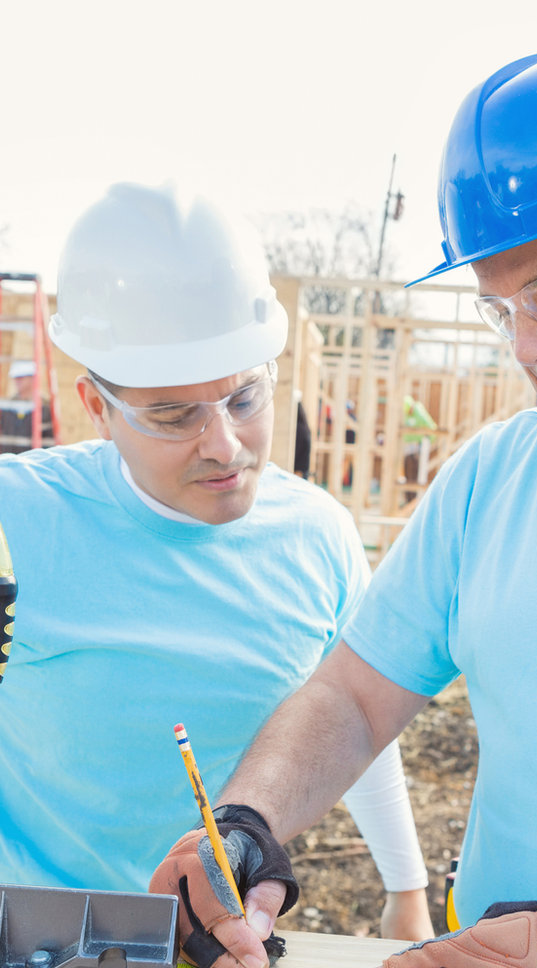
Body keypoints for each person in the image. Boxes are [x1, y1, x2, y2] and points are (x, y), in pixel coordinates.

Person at [151, 52, 537, 968]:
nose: (529, 345)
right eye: (501, 310)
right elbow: (353, 697)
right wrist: (250, 824)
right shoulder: (496, 476)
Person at [0, 184, 433, 943]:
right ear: (96, 408)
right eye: (174, 416)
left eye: (243, 399)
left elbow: (353, 712)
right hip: (41, 939)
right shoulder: (18, 521)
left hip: (223, 943)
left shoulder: (320, 538)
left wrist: (406, 888)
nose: (225, 447)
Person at [0, 359, 54, 454]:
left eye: (21, 378)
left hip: (32, 461)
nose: (17, 381)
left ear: (33, 378)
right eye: (15, 378)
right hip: (8, 460)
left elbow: (49, 442)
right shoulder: (8, 406)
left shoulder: (45, 407)